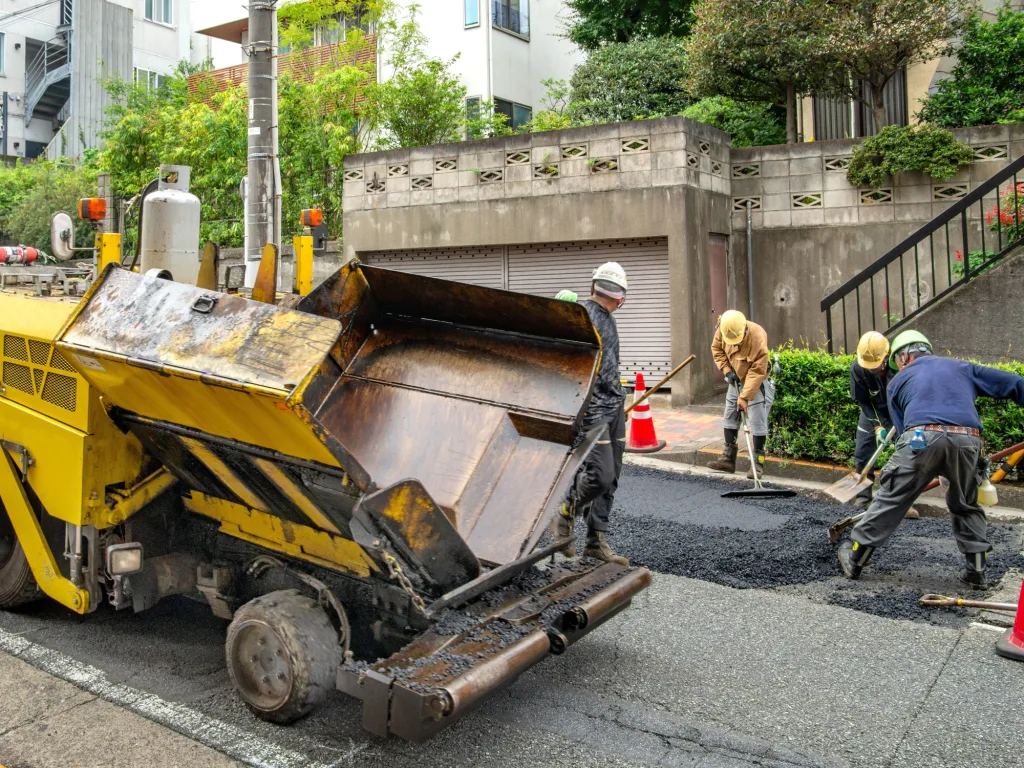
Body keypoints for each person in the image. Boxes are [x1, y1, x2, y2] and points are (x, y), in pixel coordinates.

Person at [838, 330, 1024, 587]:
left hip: (920, 438)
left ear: (903, 357)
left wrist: (921, 468)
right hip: (968, 440)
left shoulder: (898, 381)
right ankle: (976, 571)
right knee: (966, 502)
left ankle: (856, 558)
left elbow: (904, 434)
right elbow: (1014, 383)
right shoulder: (963, 367)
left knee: (891, 498)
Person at [551, 262, 630, 565]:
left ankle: (596, 541)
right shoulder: (582, 316)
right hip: (592, 410)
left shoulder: (606, 318)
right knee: (600, 475)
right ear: (621, 297)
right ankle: (565, 513)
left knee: (612, 479)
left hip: (614, 405)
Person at [708, 310, 775, 479]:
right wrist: (727, 370)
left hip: (755, 381)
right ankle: (728, 459)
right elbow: (717, 349)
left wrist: (744, 397)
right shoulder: (724, 329)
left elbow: (758, 371)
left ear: (744, 329)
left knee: (756, 421)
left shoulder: (757, 336)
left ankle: (757, 464)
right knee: (730, 415)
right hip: (736, 378)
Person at [850, 331, 897, 509]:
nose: (873, 369)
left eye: (875, 366)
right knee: (863, 451)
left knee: (905, 454)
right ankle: (863, 496)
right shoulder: (858, 368)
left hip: (899, 412)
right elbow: (863, 400)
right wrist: (877, 426)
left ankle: (902, 500)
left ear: (887, 355)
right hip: (873, 409)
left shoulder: (899, 366)